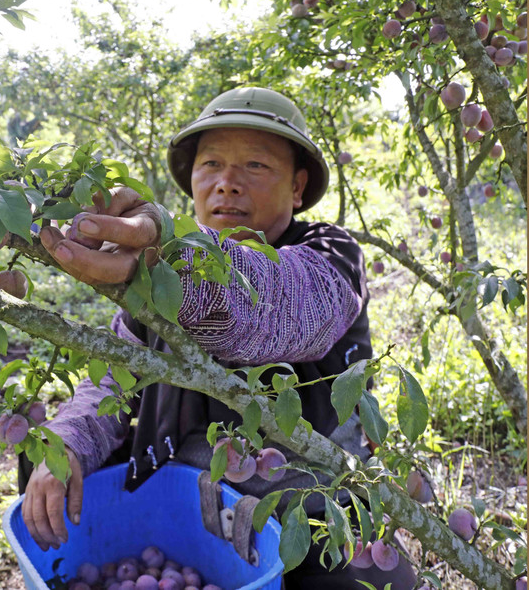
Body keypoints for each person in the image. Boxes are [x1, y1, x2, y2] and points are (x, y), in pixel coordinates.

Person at [21, 87, 416, 589]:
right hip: (187, 503)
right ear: (190, 182)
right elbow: (111, 383)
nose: (227, 184)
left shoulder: (330, 254)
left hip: (305, 502)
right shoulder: (155, 273)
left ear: (297, 189)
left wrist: (185, 269)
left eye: (255, 166)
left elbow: (284, 308)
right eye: (211, 164)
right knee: (47, 464)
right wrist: (68, 444)